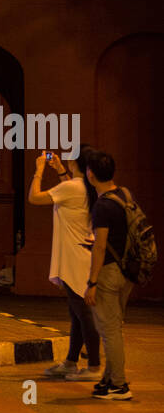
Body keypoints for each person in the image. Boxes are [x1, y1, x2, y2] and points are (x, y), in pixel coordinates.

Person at [28, 145, 100, 378]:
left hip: (73, 259)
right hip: (80, 256)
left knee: (83, 314)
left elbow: (34, 197)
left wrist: (39, 170)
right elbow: (70, 189)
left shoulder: (72, 187)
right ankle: (70, 362)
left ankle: (94, 366)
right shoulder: (86, 186)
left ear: (74, 162)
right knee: (77, 313)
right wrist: (59, 169)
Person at [84, 148, 133, 399]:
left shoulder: (102, 206)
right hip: (127, 271)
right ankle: (108, 379)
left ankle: (119, 385)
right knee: (114, 326)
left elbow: (100, 246)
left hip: (109, 272)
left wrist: (92, 282)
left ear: (91, 174)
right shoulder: (124, 194)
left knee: (110, 330)